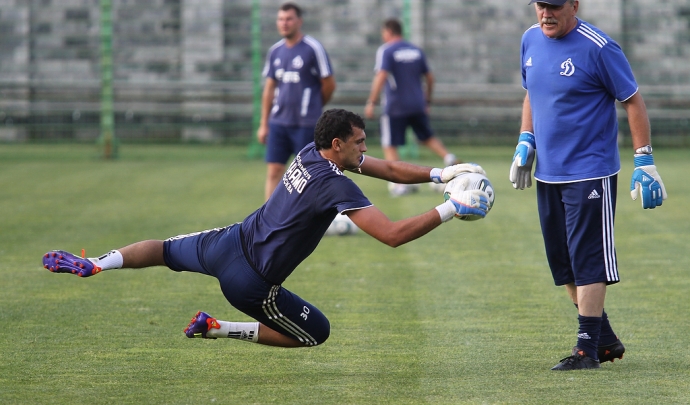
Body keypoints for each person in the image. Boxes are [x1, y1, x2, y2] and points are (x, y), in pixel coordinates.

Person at [43, 108, 490, 348]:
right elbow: (391, 235)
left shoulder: (309, 152)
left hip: (225, 242)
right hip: (251, 282)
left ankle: (96, 265)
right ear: (337, 145)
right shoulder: (334, 185)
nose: (365, 149)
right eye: (359, 142)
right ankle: (219, 328)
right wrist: (453, 208)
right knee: (316, 333)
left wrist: (438, 175)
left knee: (162, 249)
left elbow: (387, 168)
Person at [510, 0, 668, 371]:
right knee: (562, 263)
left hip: (589, 171)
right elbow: (532, 92)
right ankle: (605, 338)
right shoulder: (530, 39)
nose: (546, 14)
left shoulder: (599, 48)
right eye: (541, 6)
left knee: (588, 261)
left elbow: (632, 101)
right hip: (549, 173)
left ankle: (586, 351)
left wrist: (644, 160)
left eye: (555, 7)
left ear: (574, 7)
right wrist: (525, 140)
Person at [364, 18, 456, 196]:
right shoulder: (416, 50)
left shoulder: (386, 50)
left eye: (383, 33)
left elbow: (381, 76)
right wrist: (427, 100)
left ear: (389, 32)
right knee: (427, 137)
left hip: (395, 106)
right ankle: (449, 158)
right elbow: (430, 78)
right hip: (417, 103)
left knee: (390, 144)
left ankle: (399, 184)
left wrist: (371, 102)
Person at [257, 2, 336, 201]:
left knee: (308, 174)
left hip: (306, 124)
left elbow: (329, 83)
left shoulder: (312, 48)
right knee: (274, 171)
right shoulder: (275, 51)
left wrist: (314, 106)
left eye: (289, 19)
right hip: (279, 123)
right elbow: (269, 90)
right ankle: (268, 222)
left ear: (299, 21)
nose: (284, 23)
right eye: (281, 19)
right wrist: (264, 124)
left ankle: (311, 218)